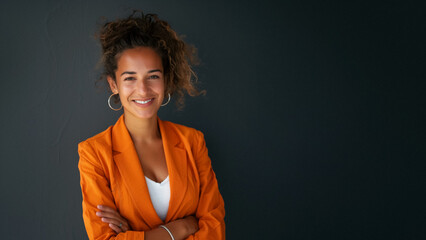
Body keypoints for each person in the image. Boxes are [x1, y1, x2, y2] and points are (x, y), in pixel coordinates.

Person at [78, 11, 225, 240]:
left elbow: (214, 230)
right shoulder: (94, 153)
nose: (143, 90)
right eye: (130, 78)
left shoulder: (193, 142)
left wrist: (138, 235)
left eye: (153, 76)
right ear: (113, 84)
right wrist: (182, 228)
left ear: (166, 80)